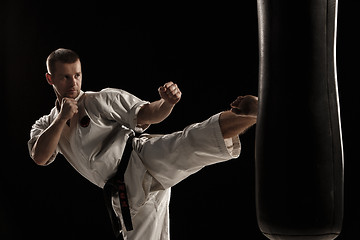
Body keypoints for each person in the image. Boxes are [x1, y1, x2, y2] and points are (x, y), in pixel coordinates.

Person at [28, 48, 258, 240]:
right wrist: (61, 118)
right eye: (65, 77)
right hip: (125, 195)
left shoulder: (98, 100)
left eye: (77, 75)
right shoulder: (46, 125)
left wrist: (166, 104)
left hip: (141, 158)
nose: (73, 82)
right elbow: (40, 156)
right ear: (50, 78)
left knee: (192, 140)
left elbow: (146, 113)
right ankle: (254, 114)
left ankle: (255, 113)